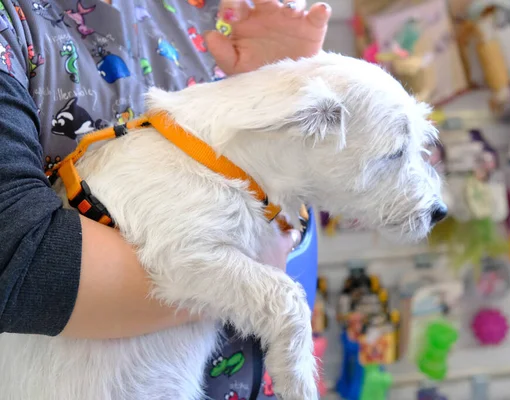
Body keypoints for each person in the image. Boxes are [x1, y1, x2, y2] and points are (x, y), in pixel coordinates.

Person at [0, 1, 330, 399]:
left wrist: (274, 102)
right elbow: (20, 257)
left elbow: (287, 234)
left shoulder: (219, 18)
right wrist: (254, 270)